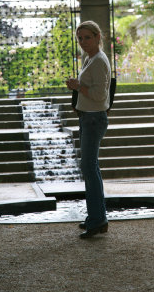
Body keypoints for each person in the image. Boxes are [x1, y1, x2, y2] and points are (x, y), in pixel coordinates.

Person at [66, 20, 111, 238]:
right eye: (80, 38)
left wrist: (78, 87)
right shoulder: (89, 58)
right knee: (91, 168)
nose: (83, 42)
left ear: (98, 37)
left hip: (94, 119)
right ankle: (96, 217)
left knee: (89, 168)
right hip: (88, 117)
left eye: (87, 37)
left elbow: (101, 96)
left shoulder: (99, 61)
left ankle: (97, 219)